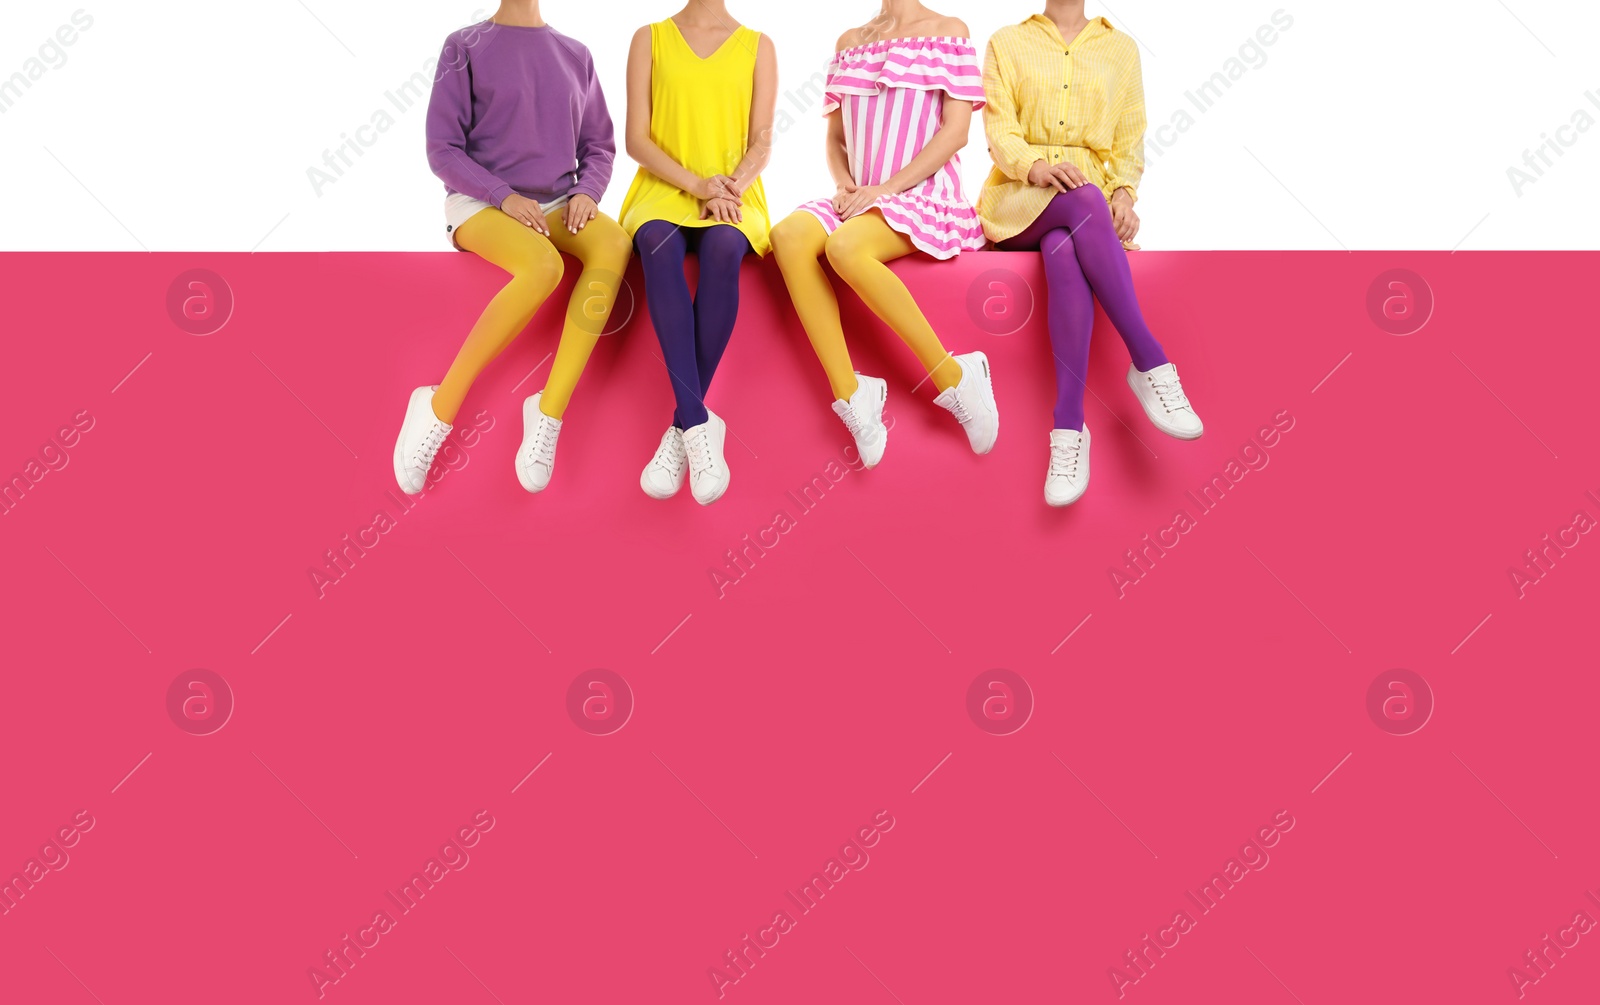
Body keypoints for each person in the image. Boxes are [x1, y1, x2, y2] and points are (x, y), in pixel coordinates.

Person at [393, 1, 632, 496]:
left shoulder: (576, 54)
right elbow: (442, 148)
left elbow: (599, 146)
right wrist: (503, 196)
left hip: (558, 201)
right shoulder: (465, 46)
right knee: (542, 266)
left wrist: (587, 191)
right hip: (481, 201)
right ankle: (438, 408)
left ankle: (548, 411)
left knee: (613, 242)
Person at [980, 1, 1204, 507]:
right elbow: (998, 131)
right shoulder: (1006, 41)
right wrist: (1035, 167)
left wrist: (1123, 194)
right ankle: (1149, 361)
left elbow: (1129, 139)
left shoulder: (1120, 49)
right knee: (1081, 201)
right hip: (1019, 198)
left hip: (1087, 211)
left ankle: (1068, 431)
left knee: (1064, 249)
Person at [770, 2, 999, 467]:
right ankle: (852, 393)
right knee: (788, 236)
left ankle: (955, 377)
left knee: (844, 247)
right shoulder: (850, 42)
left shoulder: (948, 31)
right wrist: (845, 186)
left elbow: (956, 134)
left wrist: (886, 189)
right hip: (861, 198)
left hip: (922, 195)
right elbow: (835, 140)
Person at [618, 2, 775, 505]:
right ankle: (701, 425)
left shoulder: (758, 46)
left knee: (726, 246)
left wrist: (730, 188)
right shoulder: (650, 38)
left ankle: (682, 429)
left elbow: (763, 140)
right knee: (656, 244)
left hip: (732, 194)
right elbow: (636, 140)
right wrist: (697, 186)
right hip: (664, 190)